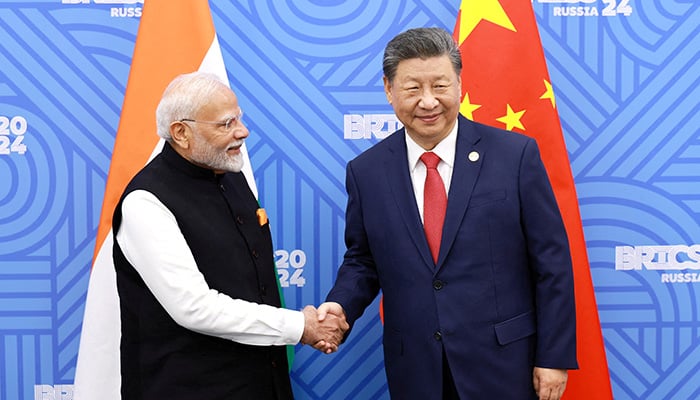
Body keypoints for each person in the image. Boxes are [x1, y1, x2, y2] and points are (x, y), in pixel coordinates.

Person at [318, 27, 578, 399]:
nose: (428, 102)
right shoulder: (367, 172)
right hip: (417, 368)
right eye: (412, 89)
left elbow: (551, 262)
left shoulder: (514, 156)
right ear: (389, 90)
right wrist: (338, 306)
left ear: (459, 85)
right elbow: (363, 260)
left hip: (504, 364)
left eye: (440, 86)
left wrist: (553, 357)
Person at [112, 71, 347, 400]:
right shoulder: (146, 202)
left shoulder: (230, 174)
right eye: (226, 124)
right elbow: (194, 308)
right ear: (181, 132)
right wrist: (301, 326)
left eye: (239, 119)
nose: (243, 131)